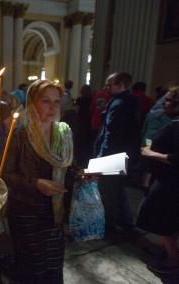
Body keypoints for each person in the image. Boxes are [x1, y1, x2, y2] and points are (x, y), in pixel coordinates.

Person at [3, 79, 74, 283]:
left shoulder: (63, 133)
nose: (53, 107)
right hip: (26, 212)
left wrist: (81, 175)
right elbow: (4, 175)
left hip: (54, 212)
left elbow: (67, 167)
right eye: (46, 101)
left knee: (53, 266)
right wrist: (35, 183)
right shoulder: (19, 134)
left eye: (57, 101)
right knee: (32, 269)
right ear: (32, 103)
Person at [136, 86, 179, 274]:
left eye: (168, 100)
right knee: (168, 220)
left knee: (160, 219)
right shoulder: (172, 121)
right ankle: (168, 251)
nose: (164, 103)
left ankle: (173, 259)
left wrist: (150, 153)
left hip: (170, 183)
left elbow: (176, 158)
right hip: (166, 180)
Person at [93, 72, 140, 229]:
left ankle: (108, 224)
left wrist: (100, 159)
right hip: (125, 153)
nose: (106, 87)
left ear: (120, 85)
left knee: (107, 190)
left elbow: (111, 134)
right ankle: (126, 221)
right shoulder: (131, 100)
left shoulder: (118, 104)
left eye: (109, 84)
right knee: (118, 188)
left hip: (113, 155)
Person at [75, 85, 93, 167]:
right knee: (87, 143)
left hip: (81, 122)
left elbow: (76, 110)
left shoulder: (79, 100)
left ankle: (80, 161)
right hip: (88, 123)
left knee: (80, 142)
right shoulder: (92, 100)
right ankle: (86, 161)